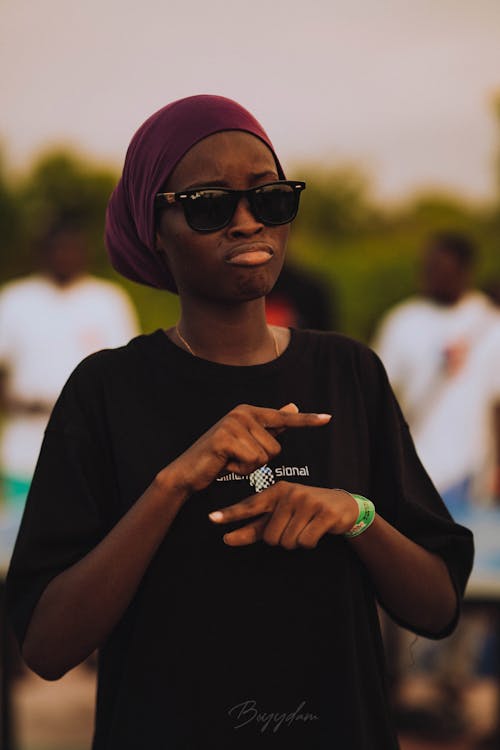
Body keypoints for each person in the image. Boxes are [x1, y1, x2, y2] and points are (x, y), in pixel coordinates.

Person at [5, 95, 473, 749]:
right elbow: (49, 648)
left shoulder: (349, 373)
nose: (248, 222)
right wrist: (172, 485)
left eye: (270, 198)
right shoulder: (106, 392)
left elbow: (438, 607)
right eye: (209, 205)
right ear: (154, 227)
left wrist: (356, 515)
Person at [0, 220, 139, 529]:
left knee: (84, 538)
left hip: (91, 447)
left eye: (72, 248)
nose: (65, 255)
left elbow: (125, 374)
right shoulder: (15, 299)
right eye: (58, 249)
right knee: (23, 540)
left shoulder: (107, 300)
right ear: (43, 253)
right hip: (26, 447)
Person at [373, 232, 500, 512]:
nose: (430, 278)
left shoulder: (490, 324)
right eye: (428, 269)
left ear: (465, 271)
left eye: (441, 270)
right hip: (415, 469)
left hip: (468, 471)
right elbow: (378, 393)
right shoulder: (402, 320)